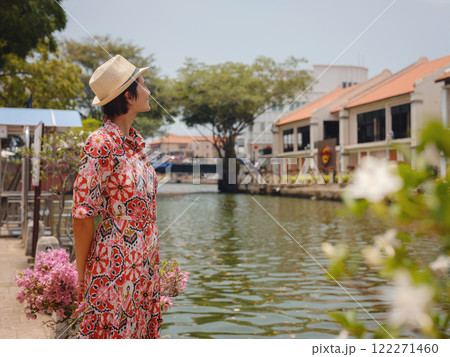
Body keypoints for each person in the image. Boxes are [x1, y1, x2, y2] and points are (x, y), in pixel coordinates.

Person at [72, 55, 162, 338]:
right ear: (128, 95)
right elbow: (83, 214)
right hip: (115, 263)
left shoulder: (135, 144)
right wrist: (82, 273)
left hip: (143, 263)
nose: (148, 92)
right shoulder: (101, 142)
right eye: (143, 85)